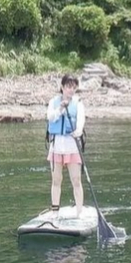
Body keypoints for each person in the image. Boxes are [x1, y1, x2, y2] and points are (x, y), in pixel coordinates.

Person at [46, 73, 85, 216]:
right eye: (68, 87)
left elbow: (80, 121)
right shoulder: (53, 102)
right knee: (56, 180)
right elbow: (50, 117)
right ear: (62, 87)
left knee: (76, 180)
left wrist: (78, 131)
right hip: (57, 146)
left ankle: (79, 212)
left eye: (74, 87)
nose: (71, 90)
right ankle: (55, 211)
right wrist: (61, 108)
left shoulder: (78, 103)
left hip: (72, 146)